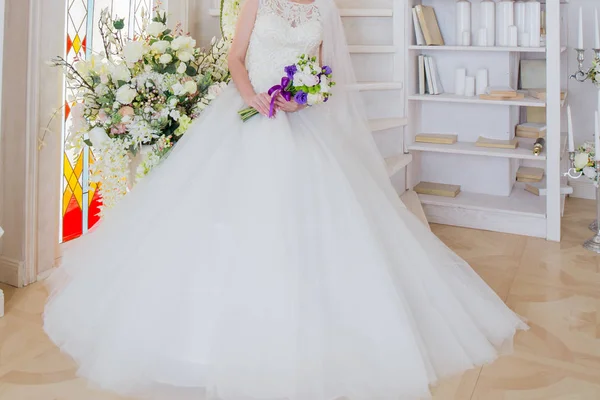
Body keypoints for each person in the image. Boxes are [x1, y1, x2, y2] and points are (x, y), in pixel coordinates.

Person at [43, 0, 528, 399]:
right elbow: (235, 56)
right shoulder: (257, 0)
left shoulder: (322, 12)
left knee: (323, 222)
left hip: (296, 119)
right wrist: (254, 97)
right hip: (246, 113)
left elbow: (317, 71)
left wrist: (302, 98)